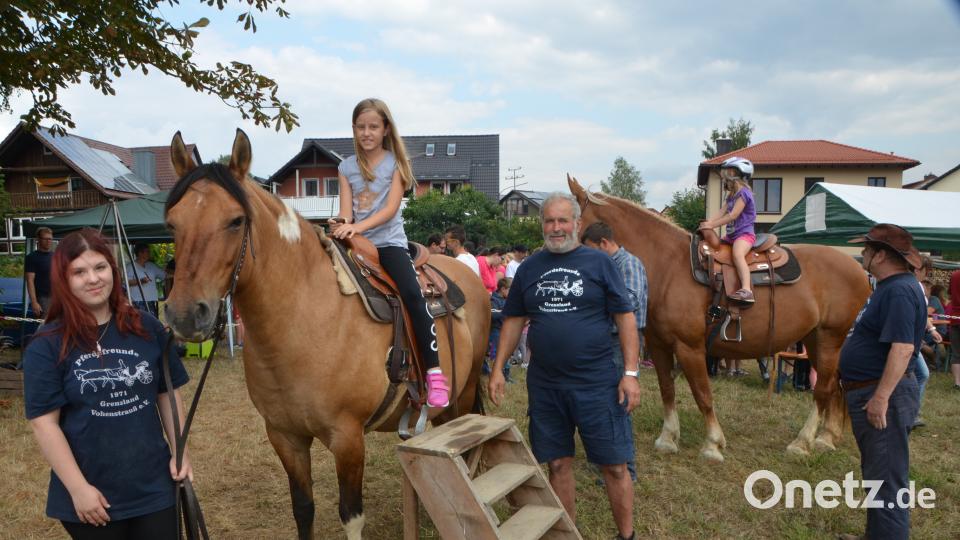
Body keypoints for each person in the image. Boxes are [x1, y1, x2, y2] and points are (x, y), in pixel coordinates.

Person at [489, 192, 640, 540]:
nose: (555, 228)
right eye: (549, 221)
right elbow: (513, 320)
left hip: (598, 382)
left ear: (576, 223)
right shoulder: (529, 268)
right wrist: (497, 368)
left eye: (562, 220)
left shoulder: (599, 263)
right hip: (546, 385)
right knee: (557, 463)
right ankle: (566, 534)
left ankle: (627, 536)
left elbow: (625, 317)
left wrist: (630, 374)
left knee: (614, 466)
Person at [22, 229, 191, 539]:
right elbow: (44, 425)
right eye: (79, 272)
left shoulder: (146, 327)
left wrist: (181, 452)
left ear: (112, 271)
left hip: (154, 487)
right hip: (92, 494)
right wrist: (78, 489)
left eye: (100, 267)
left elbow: (167, 394)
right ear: (64, 279)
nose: (93, 278)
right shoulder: (47, 344)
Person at [329, 97, 449, 408]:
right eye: (360, 127)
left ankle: (434, 371)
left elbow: (391, 209)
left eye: (373, 127)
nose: (366, 132)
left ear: (385, 130)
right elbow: (345, 211)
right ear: (353, 129)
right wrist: (340, 224)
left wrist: (357, 226)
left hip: (388, 244)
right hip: (356, 243)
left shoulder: (396, 164)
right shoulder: (345, 167)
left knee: (411, 294)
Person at [838, 224, 926, 540]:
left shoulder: (899, 290)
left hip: (880, 392)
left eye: (866, 249)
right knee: (878, 474)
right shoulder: (894, 287)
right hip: (872, 389)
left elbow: (902, 349)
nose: (862, 253)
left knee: (887, 479)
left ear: (879, 255)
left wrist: (880, 398)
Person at [581, 221, 648, 484]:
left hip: (621, 341)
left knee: (618, 401)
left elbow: (629, 300)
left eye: (591, 250)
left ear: (604, 244)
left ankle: (626, 470)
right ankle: (609, 461)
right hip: (608, 339)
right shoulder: (609, 264)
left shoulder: (627, 264)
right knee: (605, 398)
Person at [701, 157, 757, 303]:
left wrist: (712, 226)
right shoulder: (731, 195)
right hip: (732, 235)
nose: (724, 175)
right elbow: (722, 211)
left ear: (737, 174)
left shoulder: (744, 193)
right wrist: (708, 222)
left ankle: (746, 290)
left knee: (737, 254)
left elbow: (732, 215)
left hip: (745, 235)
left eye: (728, 171)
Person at [124, 243, 165, 315]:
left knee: (151, 323)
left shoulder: (151, 265)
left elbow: (164, 275)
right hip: (137, 301)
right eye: (147, 252)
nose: (149, 254)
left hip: (152, 300)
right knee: (140, 323)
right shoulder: (130, 266)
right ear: (140, 253)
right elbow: (126, 282)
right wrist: (140, 281)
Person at [488, 277, 514, 382]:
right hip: (496, 331)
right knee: (497, 353)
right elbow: (493, 314)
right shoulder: (494, 300)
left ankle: (506, 374)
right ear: (503, 289)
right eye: (510, 290)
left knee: (507, 353)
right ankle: (497, 374)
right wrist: (506, 312)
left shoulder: (506, 299)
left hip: (506, 331)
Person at [26, 226, 55, 318]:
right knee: (46, 327)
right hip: (43, 298)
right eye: (45, 239)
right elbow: (30, 281)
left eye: (50, 239)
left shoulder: (55, 256)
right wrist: (34, 302)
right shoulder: (31, 257)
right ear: (38, 239)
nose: (48, 241)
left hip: (58, 296)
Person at [949, 269, 960, 391]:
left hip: (955, 318)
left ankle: (957, 383)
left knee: (956, 353)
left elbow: (951, 294)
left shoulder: (954, 275)